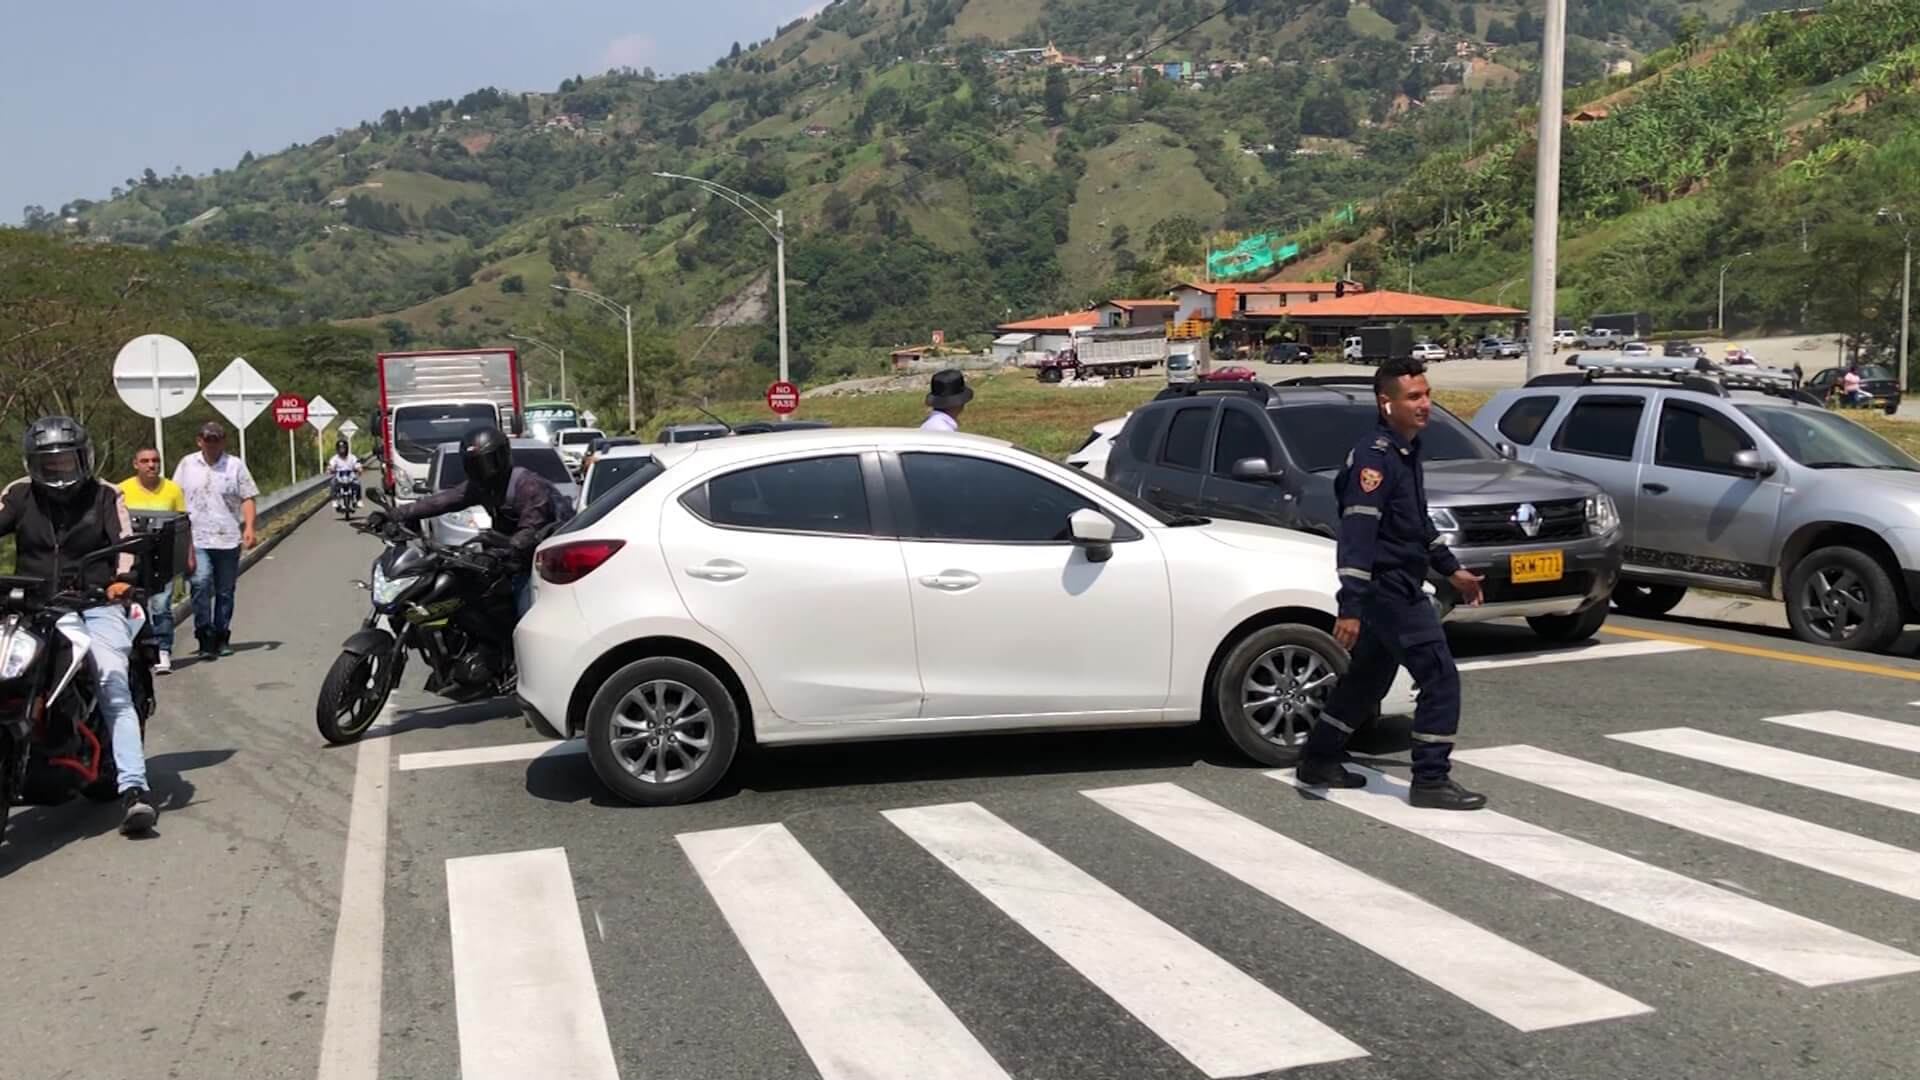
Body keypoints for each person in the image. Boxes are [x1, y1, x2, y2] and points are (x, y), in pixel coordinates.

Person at [1295, 357, 1489, 811]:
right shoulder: (1374, 459)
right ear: (1387, 404)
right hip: (1390, 589)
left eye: (1427, 393)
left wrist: (1451, 568)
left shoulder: (1406, 451)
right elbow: (1358, 534)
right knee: (1439, 678)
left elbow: (1416, 522)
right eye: (1414, 397)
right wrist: (1351, 605)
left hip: (1399, 582)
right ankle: (1430, 780)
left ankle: (1319, 759)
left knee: (1368, 678)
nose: (1426, 404)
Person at [0, 417, 155, 834]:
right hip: (30, 604)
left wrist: (122, 580)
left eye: (67, 461)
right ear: (35, 464)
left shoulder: (106, 495)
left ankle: (134, 789)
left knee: (112, 682)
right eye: (50, 463)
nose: (59, 469)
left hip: (93, 603)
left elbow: (126, 546)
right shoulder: (18, 493)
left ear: (82, 458)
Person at [369, 426, 571, 616]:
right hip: (508, 558)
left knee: (522, 613)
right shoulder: (481, 486)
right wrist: (395, 514)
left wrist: (504, 547)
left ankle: (518, 652)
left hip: (542, 564)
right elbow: (441, 501)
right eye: (474, 465)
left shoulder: (528, 487)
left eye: (486, 463)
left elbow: (530, 532)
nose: (482, 471)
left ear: (502, 457)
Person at [173, 421, 258, 660]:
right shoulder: (187, 464)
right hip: (196, 538)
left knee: (225, 591)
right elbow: (175, 496)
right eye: (208, 439)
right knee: (199, 582)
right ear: (199, 440)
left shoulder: (234, 465)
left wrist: (249, 527)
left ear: (223, 441)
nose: (212, 444)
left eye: (216, 439)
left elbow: (248, 497)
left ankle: (221, 635)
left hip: (228, 537)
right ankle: (204, 633)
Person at [118, 446, 191, 674]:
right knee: (132, 606)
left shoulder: (173, 490)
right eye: (146, 461)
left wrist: (188, 556)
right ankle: (136, 650)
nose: (151, 465)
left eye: (155, 460)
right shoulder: (121, 490)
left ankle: (163, 650)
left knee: (160, 605)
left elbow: (183, 525)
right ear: (135, 464)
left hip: (163, 558)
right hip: (132, 558)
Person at [327, 437, 362, 510]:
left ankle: (358, 500)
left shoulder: (352, 457)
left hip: (350, 475)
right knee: (333, 482)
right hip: (339, 475)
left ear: (347, 448)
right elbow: (331, 465)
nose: (342, 450)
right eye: (340, 448)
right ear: (337, 449)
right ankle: (334, 500)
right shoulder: (335, 458)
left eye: (343, 448)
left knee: (358, 483)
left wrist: (359, 469)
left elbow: (357, 464)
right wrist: (330, 469)